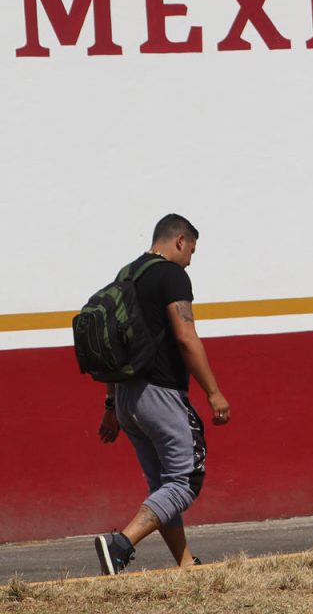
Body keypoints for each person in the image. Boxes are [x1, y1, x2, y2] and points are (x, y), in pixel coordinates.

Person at [94, 214, 231, 575]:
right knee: (186, 481)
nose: (190, 259)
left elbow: (113, 346)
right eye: (192, 251)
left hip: (126, 400)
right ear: (180, 240)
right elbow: (186, 336)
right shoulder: (172, 275)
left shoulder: (126, 275)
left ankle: (186, 564)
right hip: (161, 395)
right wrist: (213, 392)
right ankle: (120, 544)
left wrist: (111, 405)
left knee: (163, 487)